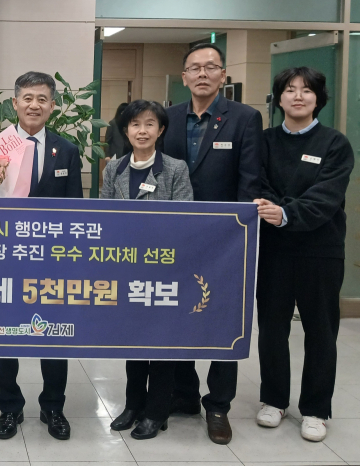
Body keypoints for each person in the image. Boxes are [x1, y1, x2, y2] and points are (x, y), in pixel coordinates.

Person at [163, 42, 262, 445]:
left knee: (223, 319)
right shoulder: (168, 117)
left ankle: (218, 405)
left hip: (225, 240)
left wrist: (238, 232)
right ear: (184, 76)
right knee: (178, 311)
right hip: (174, 237)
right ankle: (184, 393)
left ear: (223, 75)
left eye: (211, 67)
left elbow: (250, 180)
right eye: (195, 68)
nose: (202, 74)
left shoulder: (244, 118)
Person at [254, 67, 353, 442]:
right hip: (274, 250)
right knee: (272, 328)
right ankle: (274, 400)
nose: (298, 96)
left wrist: (285, 213)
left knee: (321, 331)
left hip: (320, 250)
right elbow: (258, 183)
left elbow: (326, 196)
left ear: (318, 98)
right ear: (279, 98)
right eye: (290, 89)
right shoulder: (264, 141)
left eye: (307, 90)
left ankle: (316, 408)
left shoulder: (335, 143)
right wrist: (274, 212)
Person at [0, 71, 82, 441]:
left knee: (55, 334)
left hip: (52, 260)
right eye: (27, 98)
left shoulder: (68, 150)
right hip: (5, 257)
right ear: (14, 103)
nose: (34, 105)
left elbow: (75, 209)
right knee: (3, 333)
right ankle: (9, 407)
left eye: (42, 99)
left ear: (52, 106)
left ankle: (53, 407)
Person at [101, 99, 193, 439]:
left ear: (161, 130)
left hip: (164, 270)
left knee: (162, 341)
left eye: (150, 124)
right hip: (127, 270)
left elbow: (184, 218)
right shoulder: (114, 169)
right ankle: (133, 404)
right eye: (135, 124)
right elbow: (105, 218)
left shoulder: (176, 168)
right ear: (126, 130)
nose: (142, 130)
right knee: (134, 340)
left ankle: (156, 411)